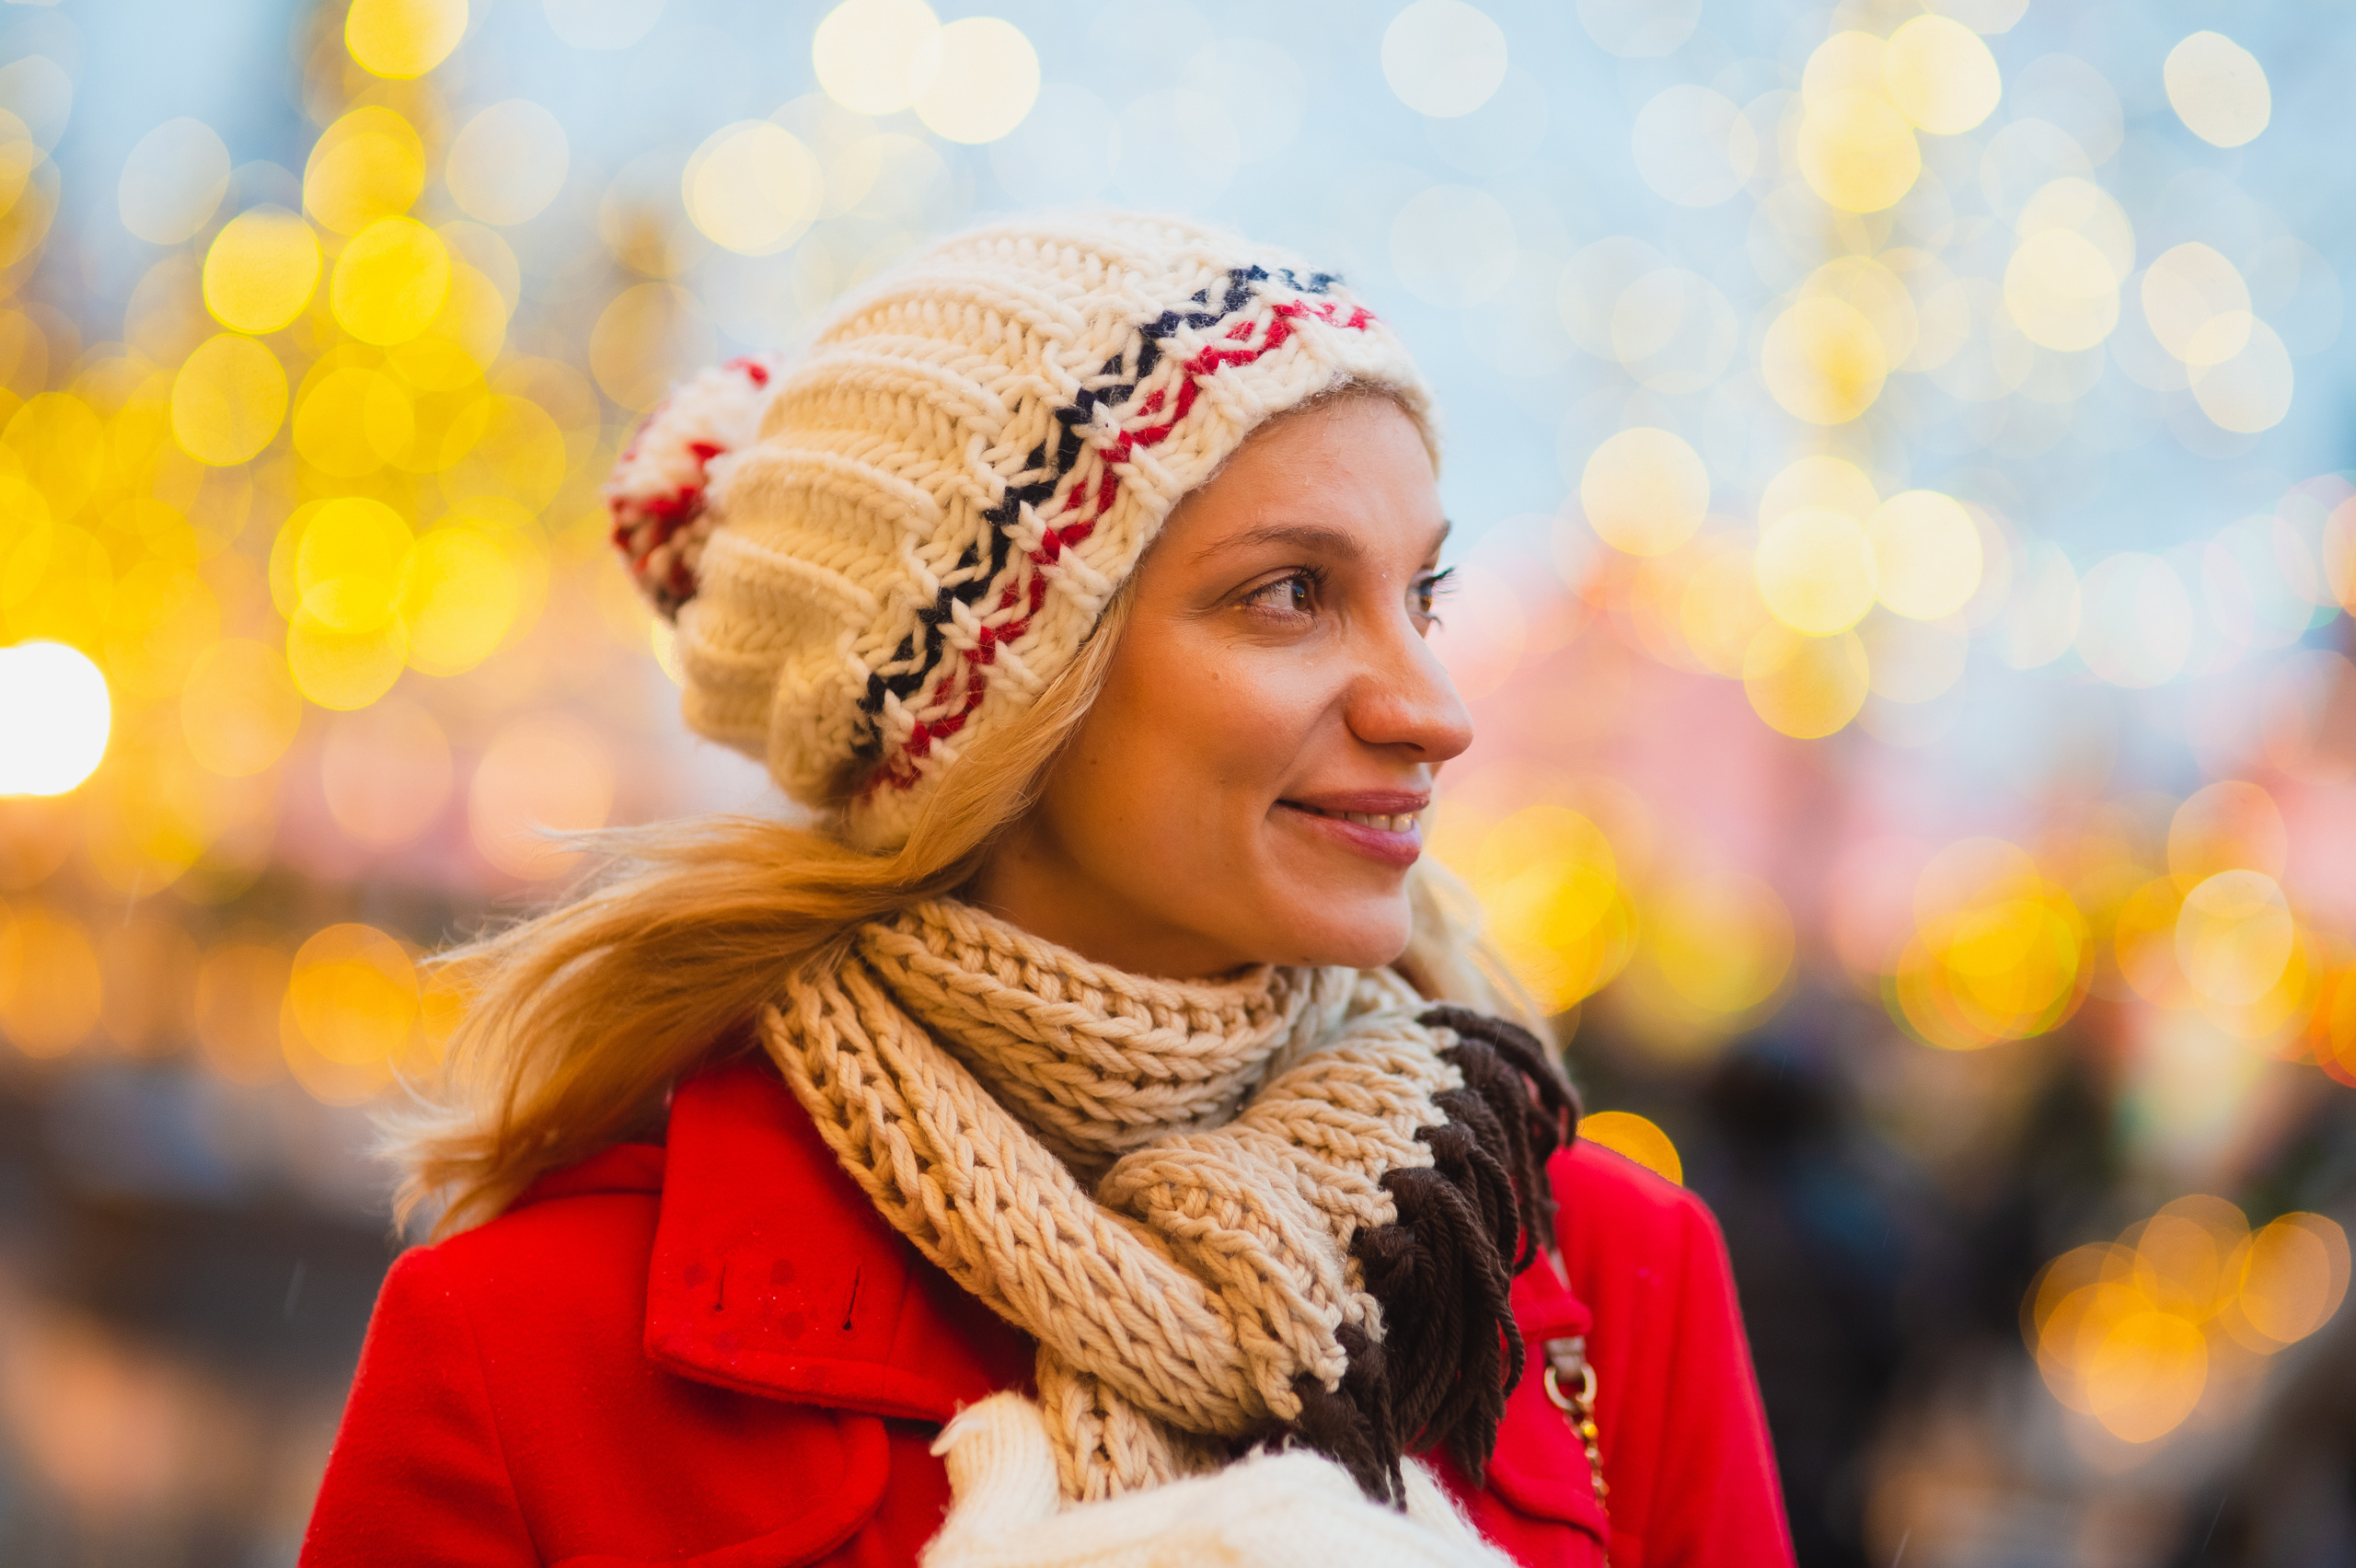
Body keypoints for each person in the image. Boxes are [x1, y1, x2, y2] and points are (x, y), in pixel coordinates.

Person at [299, 215, 1793, 1568]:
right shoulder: (526, 1352)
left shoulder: (1604, 1275)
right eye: (1292, 594)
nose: (1433, 707)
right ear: (1009, 701)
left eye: (1425, 597)